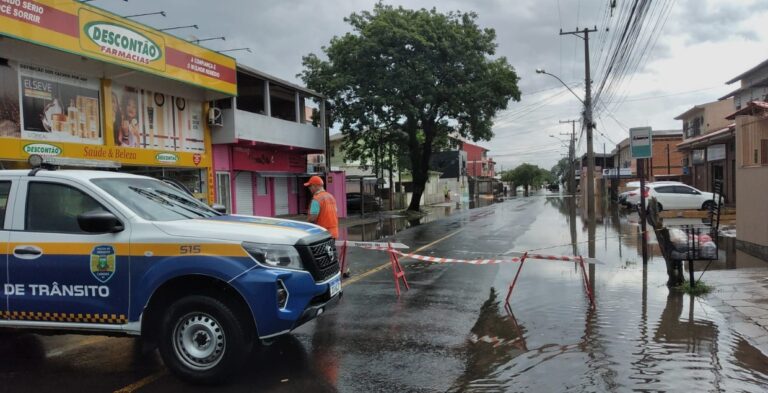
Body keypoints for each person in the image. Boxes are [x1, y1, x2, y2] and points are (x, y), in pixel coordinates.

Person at [304, 176, 347, 276]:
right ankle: (338, 272)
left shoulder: (317, 199)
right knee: (331, 255)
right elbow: (335, 212)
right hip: (333, 231)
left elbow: (313, 217)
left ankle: (329, 275)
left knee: (323, 257)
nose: (309, 189)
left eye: (310, 186)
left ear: (315, 186)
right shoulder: (330, 197)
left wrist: (306, 223)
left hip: (323, 233)